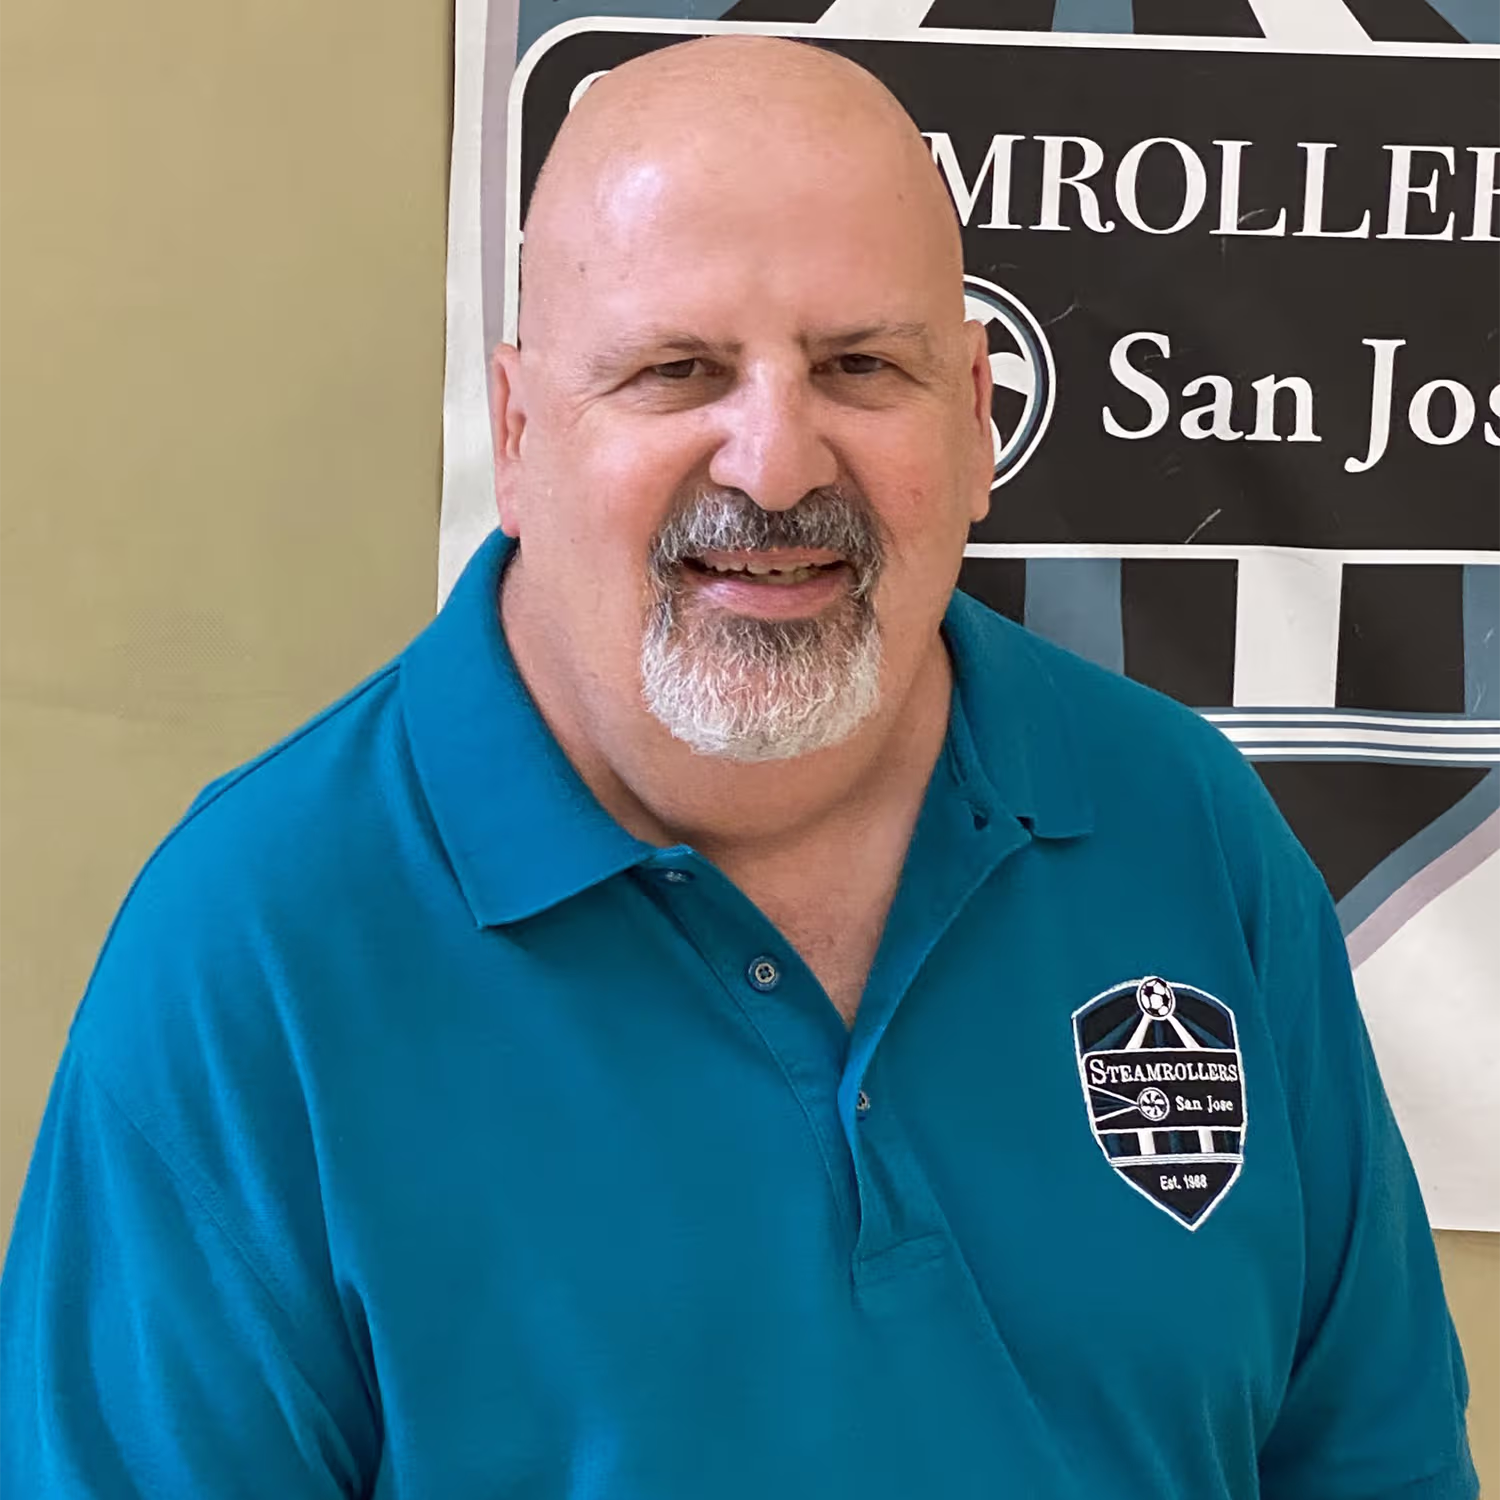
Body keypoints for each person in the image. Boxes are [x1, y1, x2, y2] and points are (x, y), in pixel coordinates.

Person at [0, 34, 1477, 1500]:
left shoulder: (1185, 827)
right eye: (675, 369)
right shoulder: (252, 951)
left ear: (975, 416)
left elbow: (1373, 1462)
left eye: (858, 365)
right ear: (517, 432)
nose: (774, 464)